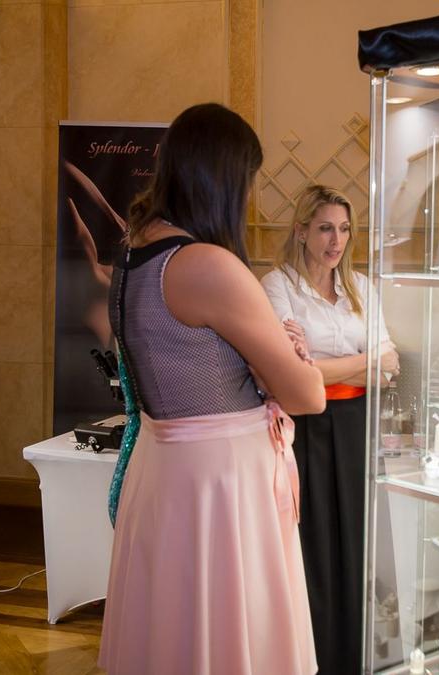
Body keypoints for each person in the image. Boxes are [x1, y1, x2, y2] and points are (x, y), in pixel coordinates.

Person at [99, 103, 324, 674]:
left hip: (164, 467)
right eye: (246, 180)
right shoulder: (207, 266)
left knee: (176, 628)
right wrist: (299, 360)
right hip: (220, 478)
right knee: (228, 628)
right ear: (223, 179)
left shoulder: (134, 252)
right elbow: (307, 396)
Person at [261, 184, 398, 675]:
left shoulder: (361, 286)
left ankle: (355, 659)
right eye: (324, 228)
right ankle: (311, 660)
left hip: (357, 425)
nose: (336, 240)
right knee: (312, 546)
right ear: (301, 231)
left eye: (343, 229)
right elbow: (288, 372)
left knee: (358, 543)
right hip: (303, 428)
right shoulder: (277, 285)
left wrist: (322, 366)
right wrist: (363, 361)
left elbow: (390, 365)